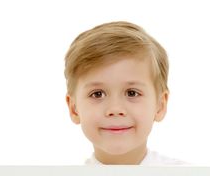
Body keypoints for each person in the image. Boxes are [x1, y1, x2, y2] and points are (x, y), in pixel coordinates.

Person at [64, 21, 191, 165]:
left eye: (132, 93)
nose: (115, 109)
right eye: (97, 94)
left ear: (160, 105)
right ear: (74, 108)